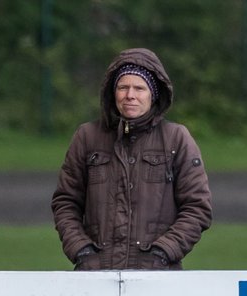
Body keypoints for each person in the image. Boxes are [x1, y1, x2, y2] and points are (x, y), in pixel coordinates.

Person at [52, 48, 212, 270]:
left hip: (158, 277)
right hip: (95, 274)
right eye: (123, 87)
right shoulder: (87, 137)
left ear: (153, 94)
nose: (130, 95)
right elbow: (66, 202)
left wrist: (163, 252)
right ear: (113, 92)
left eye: (139, 88)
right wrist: (82, 251)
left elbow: (197, 208)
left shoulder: (177, 138)